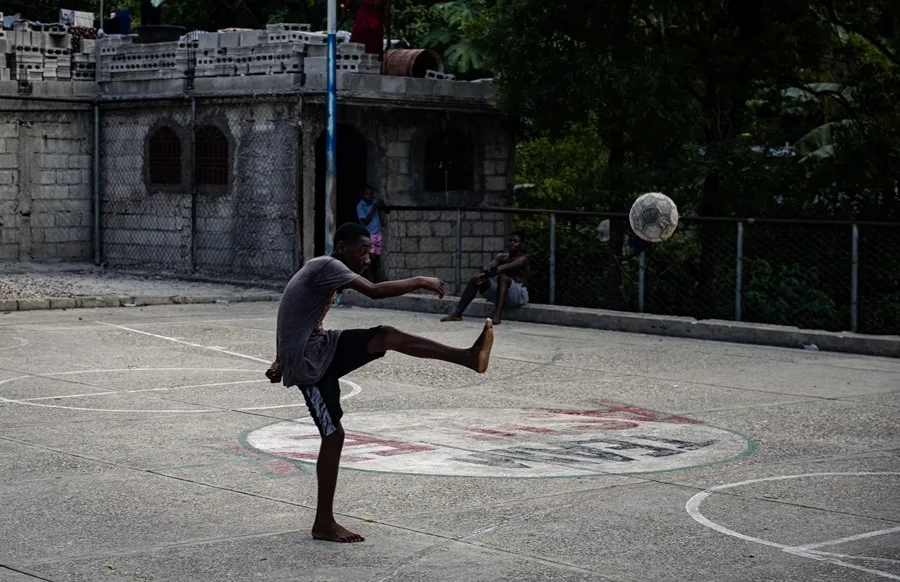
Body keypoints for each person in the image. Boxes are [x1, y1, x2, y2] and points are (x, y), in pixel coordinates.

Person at [264, 222, 494, 543]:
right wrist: (419, 280)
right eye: (362, 251)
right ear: (342, 246)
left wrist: (279, 357)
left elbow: (294, 311)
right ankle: (323, 523)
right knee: (333, 435)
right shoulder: (328, 265)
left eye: (370, 252)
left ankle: (469, 358)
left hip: (318, 348)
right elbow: (373, 292)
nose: (367, 259)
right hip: (309, 363)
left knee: (386, 336)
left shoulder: (323, 267)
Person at [441, 232, 530, 325]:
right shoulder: (502, 257)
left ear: (521, 245)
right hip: (502, 293)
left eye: (515, 241)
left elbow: (504, 268)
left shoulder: (522, 259)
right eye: (510, 240)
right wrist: (483, 273)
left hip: (519, 296)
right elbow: (488, 267)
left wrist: (487, 273)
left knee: (503, 277)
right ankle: (457, 314)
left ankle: (497, 316)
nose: (512, 243)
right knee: (475, 279)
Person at [356, 185, 386, 282]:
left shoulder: (374, 203)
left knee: (376, 261)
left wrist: (381, 205)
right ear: (362, 195)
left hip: (377, 234)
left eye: (371, 194)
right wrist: (374, 207)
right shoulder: (360, 206)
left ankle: (375, 282)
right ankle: (370, 282)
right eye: (366, 194)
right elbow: (365, 221)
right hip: (368, 235)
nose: (369, 196)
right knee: (369, 260)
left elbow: (386, 212)